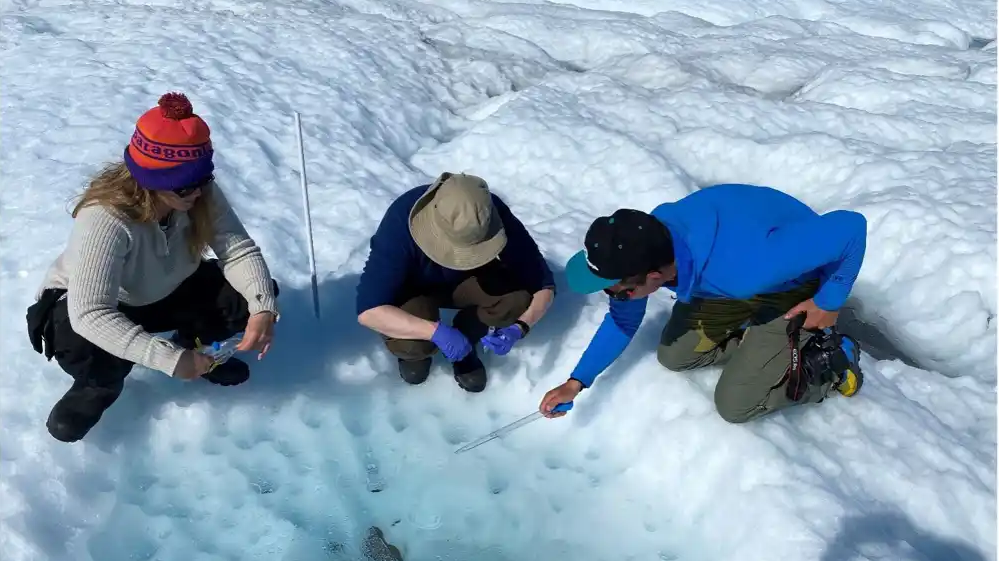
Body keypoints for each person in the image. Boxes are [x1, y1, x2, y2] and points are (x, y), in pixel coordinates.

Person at [27, 93, 280, 443]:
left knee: (246, 296)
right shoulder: (106, 217)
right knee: (83, 342)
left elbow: (237, 250)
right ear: (151, 179)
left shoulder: (200, 192)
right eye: (184, 184)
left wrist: (262, 307)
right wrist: (169, 360)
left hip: (165, 287)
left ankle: (202, 349)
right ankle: (98, 386)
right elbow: (89, 312)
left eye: (203, 179)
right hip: (92, 304)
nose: (196, 192)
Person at [539, 184, 866, 423]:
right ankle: (762, 346)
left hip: (793, 283)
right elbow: (623, 321)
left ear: (654, 277)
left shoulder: (748, 266)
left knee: (736, 405)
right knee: (674, 355)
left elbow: (851, 228)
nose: (613, 298)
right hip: (733, 281)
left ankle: (828, 364)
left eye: (616, 291)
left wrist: (829, 301)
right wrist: (576, 381)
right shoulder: (646, 243)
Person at [357, 172, 555, 392]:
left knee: (517, 300)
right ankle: (416, 354)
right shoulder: (399, 224)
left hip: (465, 282)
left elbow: (542, 283)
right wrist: (435, 332)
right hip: (412, 290)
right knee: (411, 343)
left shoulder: (487, 212)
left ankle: (467, 340)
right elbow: (369, 311)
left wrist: (520, 326)